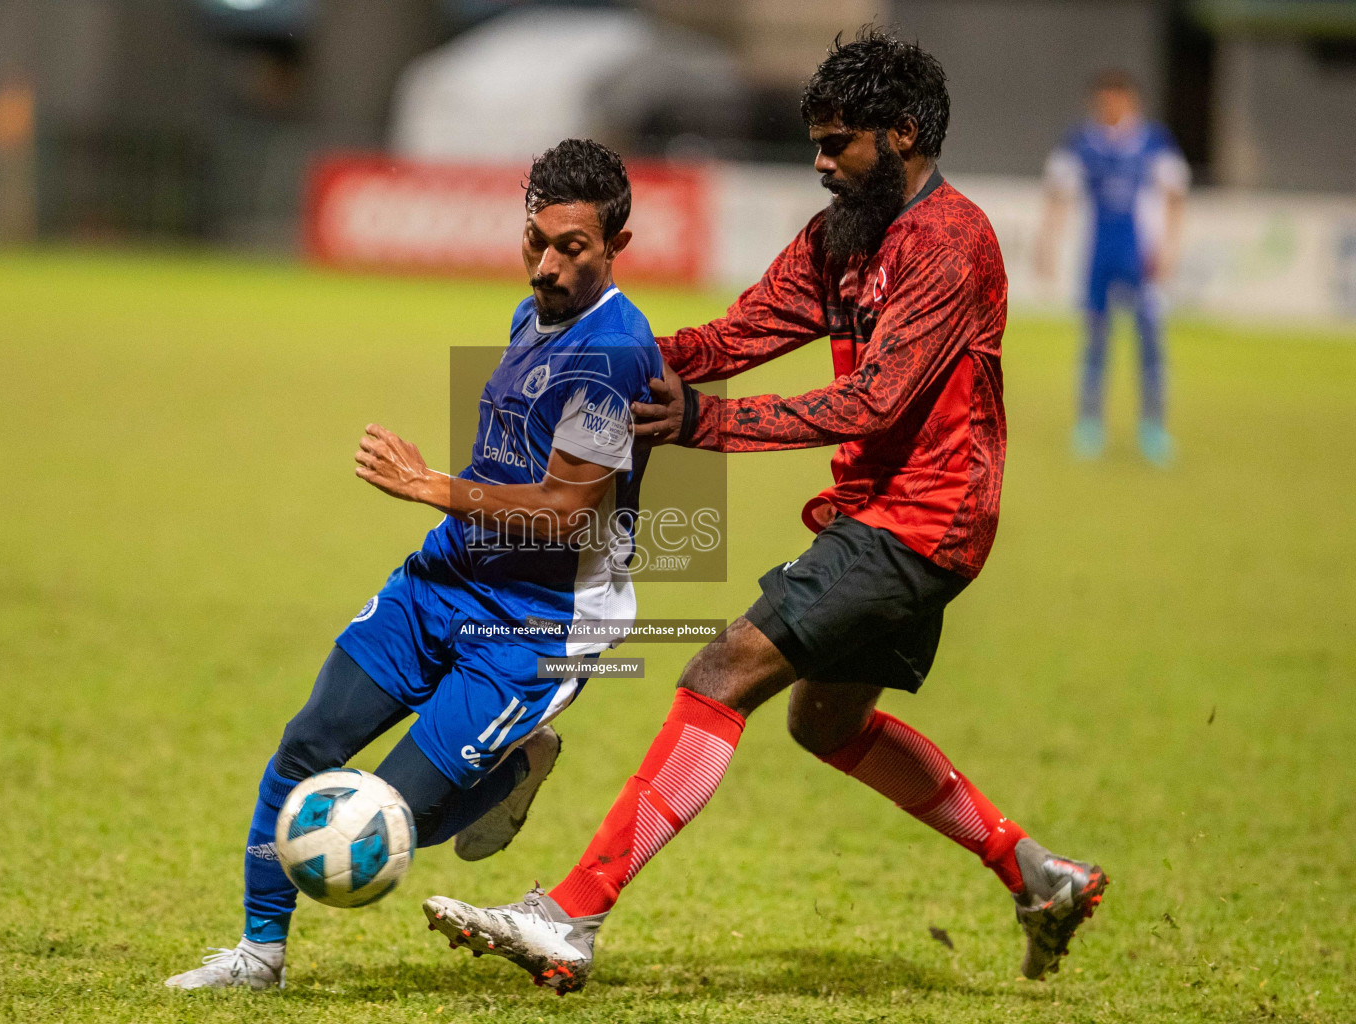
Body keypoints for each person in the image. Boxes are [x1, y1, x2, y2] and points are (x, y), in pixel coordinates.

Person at [423, 30, 1108, 994]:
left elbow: (876, 401)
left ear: (902, 134)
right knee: (825, 724)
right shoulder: (842, 236)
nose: (821, 163)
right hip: (882, 516)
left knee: (724, 667)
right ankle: (1039, 874)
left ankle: (572, 914)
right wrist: (614, 359)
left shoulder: (953, 243)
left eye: (838, 144)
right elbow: (741, 331)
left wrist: (706, 423)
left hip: (923, 521)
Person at [165, 139, 662, 990]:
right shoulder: (530, 312)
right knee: (308, 744)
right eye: (534, 240)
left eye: (570, 248)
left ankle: (514, 762)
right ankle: (258, 953)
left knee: (395, 822)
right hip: (443, 580)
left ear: (615, 244)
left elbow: (566, 514)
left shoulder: (613, 352)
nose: (545, 265)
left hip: (536, 624)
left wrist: (432, 484)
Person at [1034, 69, 1189, 465]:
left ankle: (1153, 428)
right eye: (1104, 100)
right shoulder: (1081, 142)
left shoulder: (1154, 141)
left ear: (1131, 101)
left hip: (1142, 256)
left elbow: (1175, 195)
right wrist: (1048, 244)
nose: (1110, 107)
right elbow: (1058, 193)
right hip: (1098, 255)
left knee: (1150, 341)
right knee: (1095, 340)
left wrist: (1170, 247)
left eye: (1117, 99)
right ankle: (1090, 425)